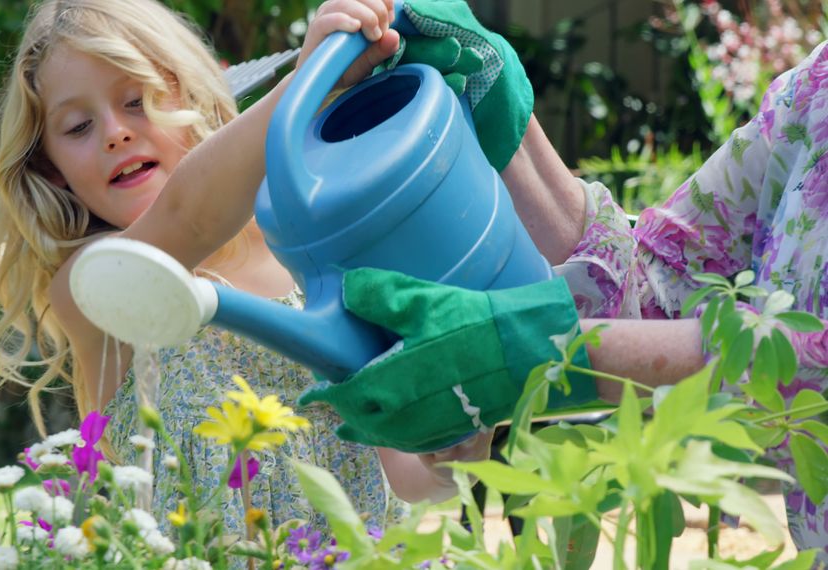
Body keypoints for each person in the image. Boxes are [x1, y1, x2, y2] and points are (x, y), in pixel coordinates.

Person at [303, 16, 828, 559]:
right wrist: (504, 119)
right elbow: (661, 287)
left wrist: (532, 347)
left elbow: (809, 362)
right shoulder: (817, 90)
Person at [0, 0, 492, 540]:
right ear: (50, 171)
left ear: (193, 97)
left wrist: (445, 453)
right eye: (78, 126)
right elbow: (189, 216)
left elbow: (404, 472)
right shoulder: (95, 285)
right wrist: (308, 82)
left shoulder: (316, 247)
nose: (114, 132)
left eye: (137, 100)